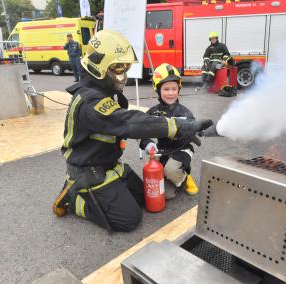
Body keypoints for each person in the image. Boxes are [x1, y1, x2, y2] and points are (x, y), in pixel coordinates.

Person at [52, 30, 213, 232]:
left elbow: (132, 120)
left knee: (144, 198)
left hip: (109, 164)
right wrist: (178, 127)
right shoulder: (90, 101)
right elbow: (129, 122)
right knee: (129, 220)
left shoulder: (103, 91)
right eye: (118, 68)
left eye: (125, 67)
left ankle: (105, 192)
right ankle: (76, 198)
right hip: (89, 171)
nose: (123, 74)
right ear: (99, 66)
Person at [139, 63, 199, 200]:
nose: (171, 93)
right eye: (166, 89)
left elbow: (193, 131)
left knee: (170, 170)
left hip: (182, 150)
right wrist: (147, 144)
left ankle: (184, 177)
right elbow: (141, 132)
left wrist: (192, 132)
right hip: (162, 150)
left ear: (179, 89)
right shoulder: (153, 112)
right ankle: (171, 175)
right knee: (167, 195)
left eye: (174, 88)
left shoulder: (185, 112)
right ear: (157, 89)